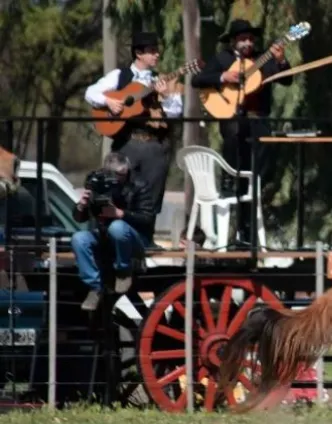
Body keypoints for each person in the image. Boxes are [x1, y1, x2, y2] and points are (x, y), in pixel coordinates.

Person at [191, 19, 293, 246]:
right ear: (233, 41)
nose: (247, 43)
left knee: (258, 177)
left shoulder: (262, 59)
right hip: (234, 121)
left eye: (250, 38)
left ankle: (248, 230)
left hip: (259, 122)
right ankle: (230, 186)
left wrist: (281, 60)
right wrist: (223, 77)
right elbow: (197, 80)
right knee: (236, 161)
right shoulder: (222, 60)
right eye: (242, 39)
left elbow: (287, 80)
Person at [84, 31, 181, 219]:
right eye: (152, 51)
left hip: (155, 144)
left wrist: (166, 96)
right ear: (139, 53)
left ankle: (147, 237)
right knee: (120, 188)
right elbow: (91, 93)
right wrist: (109, 102)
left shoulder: (163, 79)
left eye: (157, 50)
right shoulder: (120, 76)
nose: (157, 55)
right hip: (127, 142)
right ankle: (117, 232)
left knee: (152, 193)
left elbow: (176, 112)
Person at [70, 153, 155, 311]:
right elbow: (79, 218)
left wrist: (120, 214)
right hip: (105, 235)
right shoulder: (97, 181)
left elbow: (147, 218)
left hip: (135, 238)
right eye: (117, 175)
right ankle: (95, 287)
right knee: (78, 239)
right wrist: (82, 205)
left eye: (124, 174)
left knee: (117, 226)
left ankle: (123, 271)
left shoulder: (140, 184)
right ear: (107, 171)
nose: (120, 178)